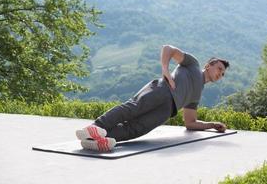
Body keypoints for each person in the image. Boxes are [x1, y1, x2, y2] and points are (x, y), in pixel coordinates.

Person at [76, 45, 230, 152]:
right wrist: (165, 70)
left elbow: (190, 122)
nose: (220, 74)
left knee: (136, 129)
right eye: (219, 69)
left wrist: (212, 124)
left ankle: (95, 141)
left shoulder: (198, 93)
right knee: (133, 109)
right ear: (209, 65)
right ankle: (95, 127)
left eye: (223, 74)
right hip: (162, 90)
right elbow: (168, 49)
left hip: (167, 111)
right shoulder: (193, 64)